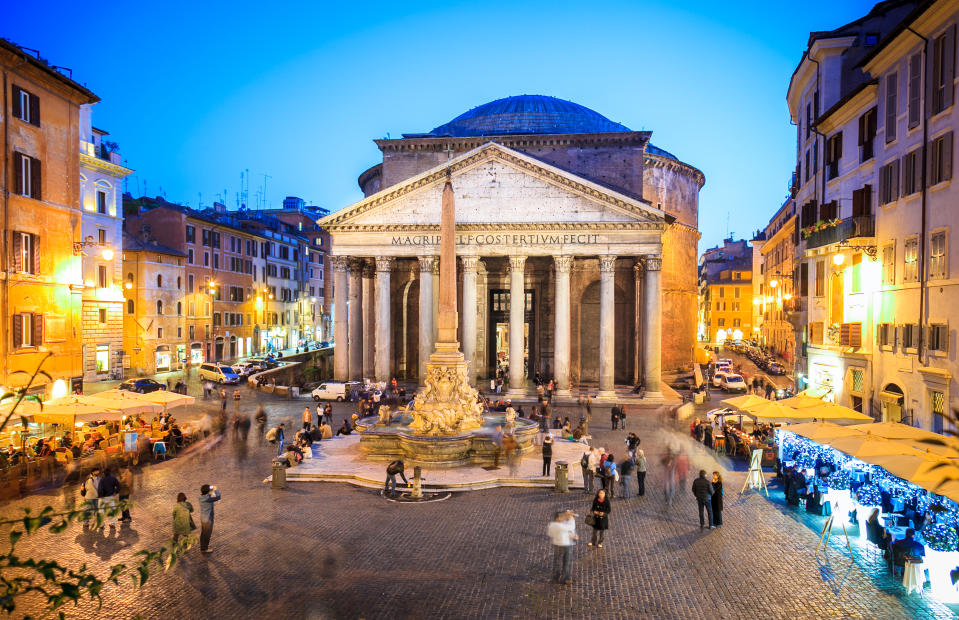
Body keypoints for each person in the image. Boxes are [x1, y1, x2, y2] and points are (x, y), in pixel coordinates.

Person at [548, 510, 578, 584]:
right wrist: (571, 517)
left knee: (557, 561)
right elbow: (571, 527)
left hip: (556, 544)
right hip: (565, 544)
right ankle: (565, 578)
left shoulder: (552, 525)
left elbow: (551, 533)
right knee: (566, 561)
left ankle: (555, 577)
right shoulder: (562, 526)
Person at [198, 484, 221, 554]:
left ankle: (202, 547)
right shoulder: (208, 499)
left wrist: (210, 490)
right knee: (207, 534)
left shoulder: (200, 497)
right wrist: (215, 489)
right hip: (208, 520)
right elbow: (218, 497)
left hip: (203, 519)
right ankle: (205, 549)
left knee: (203, 533)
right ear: (207, 492)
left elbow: (210, 496)